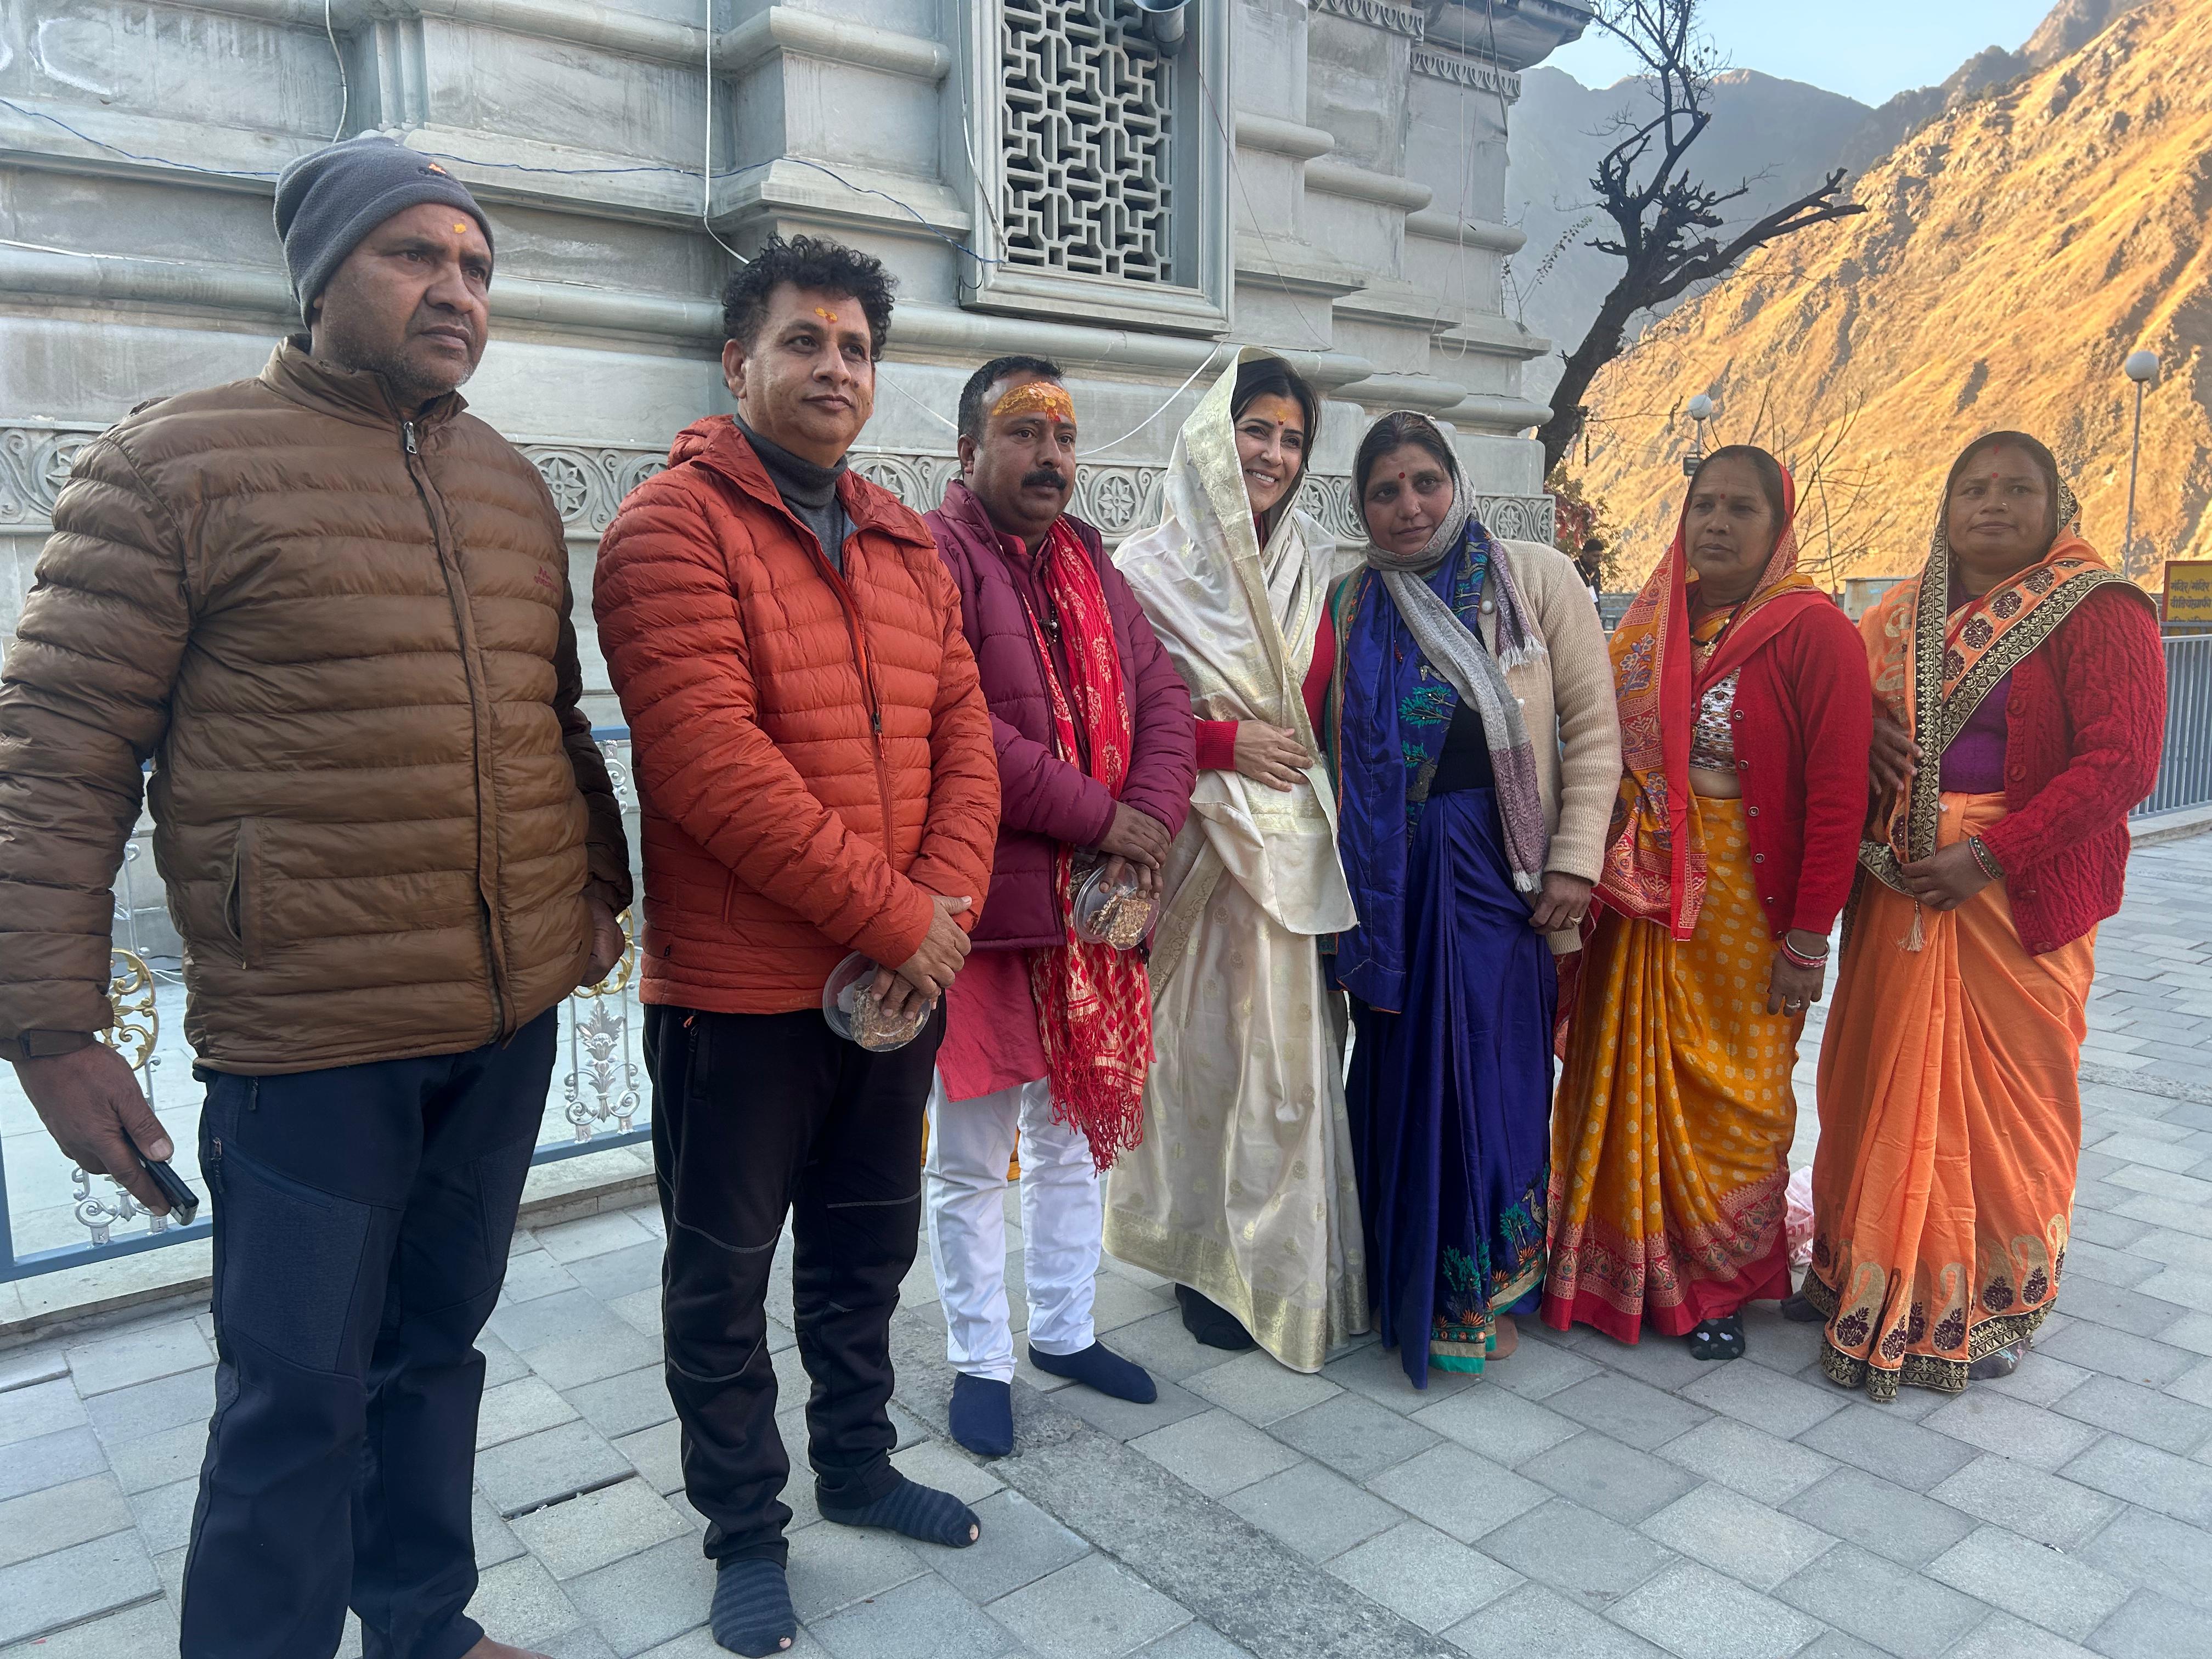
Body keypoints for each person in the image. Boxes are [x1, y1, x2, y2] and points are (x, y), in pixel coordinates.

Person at [0, 136, 631, 1659]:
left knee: (436, 1355)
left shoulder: (503, 485)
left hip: (501, 1021)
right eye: (417, 255)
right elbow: (56, 755)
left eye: (476, 265)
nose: (457, 290)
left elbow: (552, 716)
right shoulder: (170, 466)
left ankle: (422, 1620)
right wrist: (47, 1027)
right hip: (311, 1039)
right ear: (324, 275)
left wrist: (595, 898)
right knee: (294, 1398)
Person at [592, 236, 1000, 1655]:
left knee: (865, 1250)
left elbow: (966, 740)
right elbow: (712, 768)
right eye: (806, 342)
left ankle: (862, 1462)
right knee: (722, 1276)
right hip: (744, 995)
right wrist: (905, 922)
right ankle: (745, 1533)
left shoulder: (901, 540)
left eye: (857, 349)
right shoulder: (670, 529)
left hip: (897, 987)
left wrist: (937, 916)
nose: (836, 369)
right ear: (737, 360)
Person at [1796, 431, 2165, 1400]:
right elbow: (1840, 696)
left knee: (2010, 1100)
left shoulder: (2101, 610)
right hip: (1899, 886)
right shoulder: (1899, 615)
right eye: (1973, 488)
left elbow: (2121, 763)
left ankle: (1990, 1292)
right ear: (1946, 505)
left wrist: (1989, 854)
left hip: (2014, 891)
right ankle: (1853, 1267)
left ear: (2058, 507)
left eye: (2017, 489)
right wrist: (1868, 730)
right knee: (1871, 1073)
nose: (1992, 505)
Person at [921, 356, 1196, 1455]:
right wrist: (1104, 818)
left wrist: (1153, 816)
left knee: (1078, 1135)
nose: (1050, 456)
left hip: (1096, 913)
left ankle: (1066, 1330)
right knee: (974, 1154)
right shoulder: (932, 555)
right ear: (967, 451)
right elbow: (964, 722)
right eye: (1025, 432)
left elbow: (1163, 691)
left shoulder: (1088, 558)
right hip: (992, 910)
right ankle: (980, 1360)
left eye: (1066, 437)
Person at [1542, 447, 1871, 1361]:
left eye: (1742, 509)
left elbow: (1839, 799)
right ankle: (1611, 1265)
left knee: (1741, 1094)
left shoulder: (1814, 632)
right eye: (1704, 506)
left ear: (1780, 527)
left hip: (1746, 912)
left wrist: (1807, 942)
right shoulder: (1653, 630)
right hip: (1639, 902)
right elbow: (1592, 743)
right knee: (1620, 1077)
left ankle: (1721, 1279)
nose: (1717, 524)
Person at [1327, 411, 1621, 1388]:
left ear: (1455, 483)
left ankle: (1488, 1283)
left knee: (1496, 1081)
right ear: (1360, 504)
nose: (1407, 507)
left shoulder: (1533, 578)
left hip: (1506, 878)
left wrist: (1574, 862)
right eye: (1384, 490)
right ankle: (1407, 1277)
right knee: (1401, 1074)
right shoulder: (1349, 602)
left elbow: (1594, 728)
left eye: (1424, 482)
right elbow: (1322, 750)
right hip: (1392, 888)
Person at [1103, 351, 1368, 1370]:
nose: (1272, 452)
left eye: (1292, 438)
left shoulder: (1318, 565)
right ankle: (1201, 1255)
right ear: (1215, 433)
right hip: (1198, 853)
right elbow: (1114, 718)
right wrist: (1222, 746)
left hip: (1299, 853)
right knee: (1202, 1068)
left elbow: (1332, 716)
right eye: (1256, 428)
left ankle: (1286, 1258)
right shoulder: (1144, 570)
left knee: (1290, 1072)